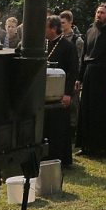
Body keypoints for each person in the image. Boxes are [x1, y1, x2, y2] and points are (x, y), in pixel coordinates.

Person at [76, 3, 106, 158]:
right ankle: (87, 146)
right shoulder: (89, 32)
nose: (99, 15)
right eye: (97, 12)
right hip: (90, 74)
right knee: (88, 110)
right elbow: (84, 57)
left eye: (102, 13)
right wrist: (79, 78)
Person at [42, 15, 79, 167]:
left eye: (45, 27)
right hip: (44, 94)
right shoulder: (42, 44)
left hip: (60, 94)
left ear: (53, 28)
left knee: (58, 128)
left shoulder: (68, 46)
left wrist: (68, 93)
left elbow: (73, 71)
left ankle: (60, 159)